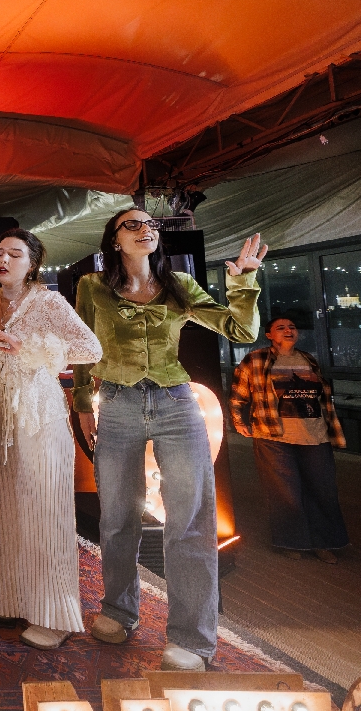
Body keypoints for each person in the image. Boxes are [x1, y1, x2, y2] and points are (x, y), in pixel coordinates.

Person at [74, 208, 265, 671]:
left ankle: (191, 638)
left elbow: (241, 330)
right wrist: (81, 404)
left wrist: (243, 282)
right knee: (117, 517)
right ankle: (119, 611)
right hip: (116, 404)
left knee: (191, 520)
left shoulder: (179, 285)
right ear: (114, 239)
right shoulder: (92, 287)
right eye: (133, 224)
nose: (146, 230)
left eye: (152, 225)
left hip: (176, 404)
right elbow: (81, 347)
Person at [0, 229, 102, 650]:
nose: (3, 260)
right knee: (6, 516)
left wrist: (26, 345)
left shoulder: (49, 302)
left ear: (32, 265)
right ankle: (14, 602)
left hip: (39, 420)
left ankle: (55, 615)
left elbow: (90, 348)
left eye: (15, 254)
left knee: (46, 516)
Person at [230, 318, 350, 563]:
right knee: (285, 494)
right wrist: (239, 422)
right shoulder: (255, 360)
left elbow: (321, 398)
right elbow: (237, 395)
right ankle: (292, 542)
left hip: (314, 435)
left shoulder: (308, 359)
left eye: (292, 327)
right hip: (273, 436)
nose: (288, 330)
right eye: (281, 328)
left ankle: (323, 543)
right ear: (269, 335)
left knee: (323, 490)